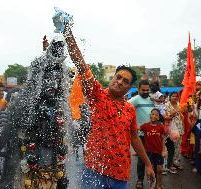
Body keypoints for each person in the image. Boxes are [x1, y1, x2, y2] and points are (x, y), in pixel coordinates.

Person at [62, 24, 154, 189]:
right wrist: (68, 34)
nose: (119, 82)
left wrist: (148, 164)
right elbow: (81, 65)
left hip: (120, 174)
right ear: (113, 78)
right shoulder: (97, 94)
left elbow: (134, 138)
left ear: (129, 88)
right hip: (94, 170)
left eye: (125, 81)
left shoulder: (129, 109)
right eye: (118, 77)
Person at [128, 79, 155, 189]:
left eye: (147, 90)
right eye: (143, 90)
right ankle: (140, 180)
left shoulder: (152, 99)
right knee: (141, 159)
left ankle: (154, 180)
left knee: (154, 157)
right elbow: (124, 109)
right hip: (141, 135)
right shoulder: (134, 100)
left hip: (153, 134)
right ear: (138, 89)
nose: (145, 92)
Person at [140, 109, 166, 189]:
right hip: (149, 152)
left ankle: (158, 184)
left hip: (159, 152)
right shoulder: (145, 126)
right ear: (150, 115)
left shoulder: (161, 127)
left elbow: (163, 139)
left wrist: (164, 150)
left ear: (158, 117)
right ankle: (152, 185)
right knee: (150, 170)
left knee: (159, 170)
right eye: (152, 114)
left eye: (155, 115)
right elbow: (135, 129)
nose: (153, 116)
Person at [164, 92, 184, 173]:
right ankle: (169, 164)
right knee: (170, 147)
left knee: (178, 146)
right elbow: (167, 116)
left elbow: (182, 116)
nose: (175, 97)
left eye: (176, 96)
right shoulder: (167, 105)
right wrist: (176, 111)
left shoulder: (179, 104)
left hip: (179, 127)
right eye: (173, 96)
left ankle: (176, 162)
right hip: (170, 128)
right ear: (170, 97)